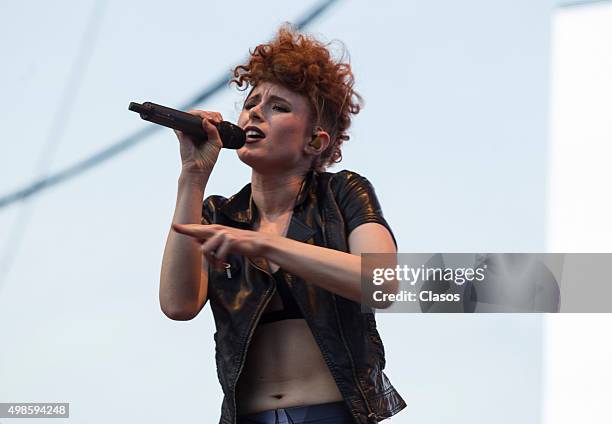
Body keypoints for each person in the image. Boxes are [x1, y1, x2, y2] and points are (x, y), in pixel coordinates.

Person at [159, 24, 406, 424]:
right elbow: (177, 304)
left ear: (316, 141)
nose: (256, 111)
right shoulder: (220, 215)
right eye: (252, 102)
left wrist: (266, 245)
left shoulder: (343, 194)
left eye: (279, 106)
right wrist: (193, 174)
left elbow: (382, 283)